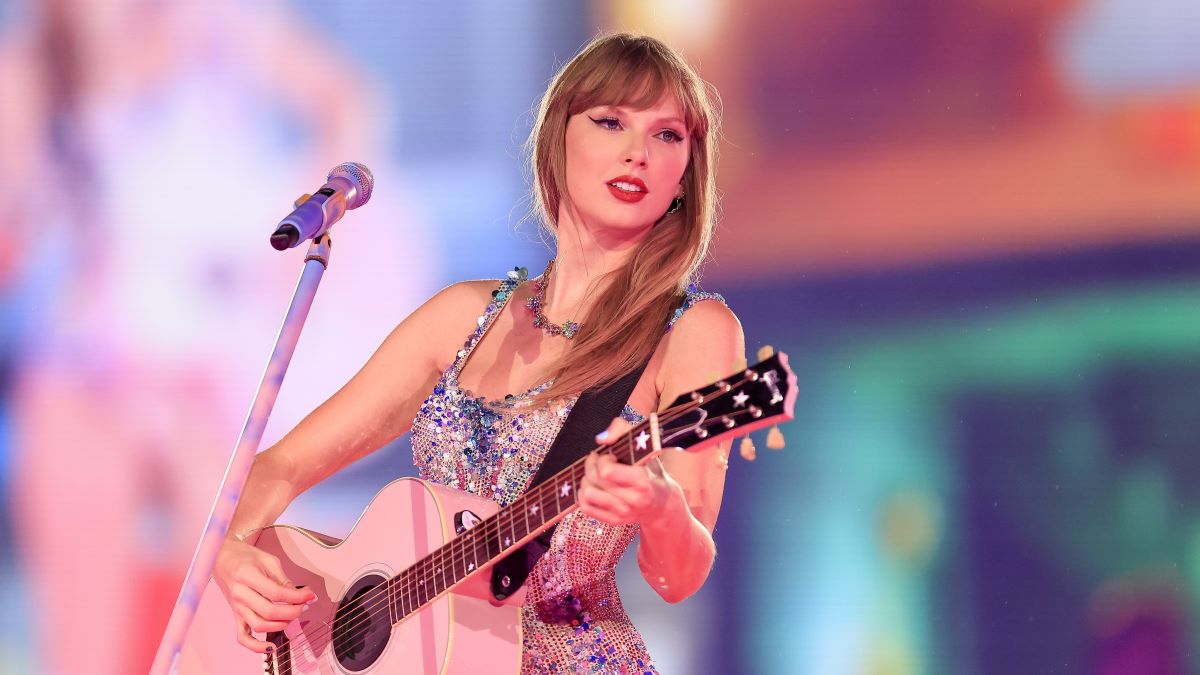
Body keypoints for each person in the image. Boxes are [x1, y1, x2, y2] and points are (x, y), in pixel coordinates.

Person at [215, 32, 744, 673]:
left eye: (667, 136)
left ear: (686, 173)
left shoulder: (691, 330)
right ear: (559, 142)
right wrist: (230, 552)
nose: (638, 153)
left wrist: (662, 510)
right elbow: (276, 468)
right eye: (610, 122)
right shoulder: (462, 316)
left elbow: (680, 576)